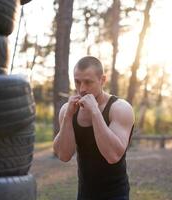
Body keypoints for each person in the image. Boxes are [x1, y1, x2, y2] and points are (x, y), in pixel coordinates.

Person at [53, 56, 135, 200]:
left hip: (116, 194)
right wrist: (67, 117)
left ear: (102, 80)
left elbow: (113, 156)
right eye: (77, 82)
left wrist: (95, 112)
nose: (82, 89)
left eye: (88, 82)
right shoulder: (68, 110)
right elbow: (64, 155)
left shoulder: (120, 108)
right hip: (84, 194)